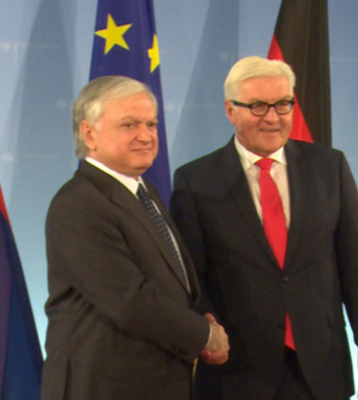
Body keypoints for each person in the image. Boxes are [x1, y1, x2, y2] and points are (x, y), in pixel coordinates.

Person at [170, 56, 358, 400]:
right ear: (231, 111)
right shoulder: (195, 181)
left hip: (321, 369)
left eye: (283, 104)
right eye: (258, 106)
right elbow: (192, 280)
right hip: (237, 373)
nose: (272, 117)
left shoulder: (329, 167)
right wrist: (207, 333)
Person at [41, 75, 229, 400]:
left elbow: (167, 281)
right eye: (129, 125)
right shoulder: (78, 203)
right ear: (89, 133)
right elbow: (131, 301)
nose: (146, 136)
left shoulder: (142, 191)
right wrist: (203, 335)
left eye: (151, 124)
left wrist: (198, 315)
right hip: (103, 387)